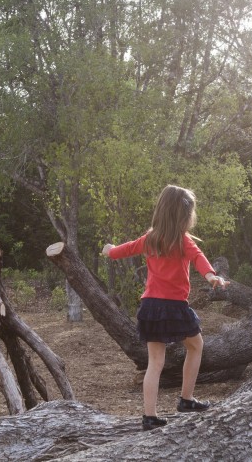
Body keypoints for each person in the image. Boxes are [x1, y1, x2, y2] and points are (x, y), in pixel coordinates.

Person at [102, 185, 228, 431]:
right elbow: (200, 259)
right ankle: (186, 399)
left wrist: (109, 250)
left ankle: (150, 417)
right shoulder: (183, 241)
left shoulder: (150, 238)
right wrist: (212, 277)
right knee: (196, 346)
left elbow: (122, 251)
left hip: (150, 307)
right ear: (183, 216)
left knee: (155, 362)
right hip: (173, 307)